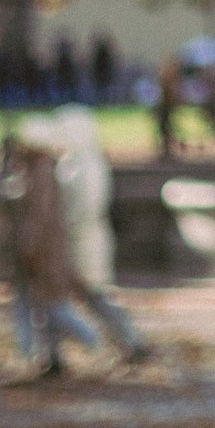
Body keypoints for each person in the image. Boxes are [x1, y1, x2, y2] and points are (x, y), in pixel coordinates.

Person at [53, 108, 152, 364]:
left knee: (84, 296)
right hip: (88, 239)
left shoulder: (76, 168)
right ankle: (126, 340)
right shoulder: (93, 164)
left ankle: (104, 340)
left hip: (80, 242)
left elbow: (78, 210)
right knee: (84, 296)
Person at [5, 124, 101, 376]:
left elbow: (40, 216)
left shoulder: (42, 172)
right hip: (47, 250)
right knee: (44, 307)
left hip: (45, 252)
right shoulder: (41, 169)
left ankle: (89, 342)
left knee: (50, 306)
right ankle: (50, 356)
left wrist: (29, 246)